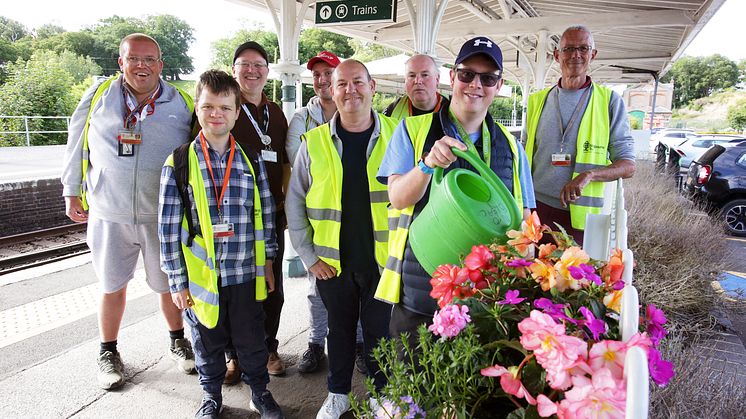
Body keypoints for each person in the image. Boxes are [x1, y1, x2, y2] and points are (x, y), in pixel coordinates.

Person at [375, 37, 536, 345]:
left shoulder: (512, 147)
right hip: (421, 290)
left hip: (485, 298)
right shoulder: (411, 130)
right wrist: (426, 164)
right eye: (467, 74)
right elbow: (397, 197)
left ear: (499, 85)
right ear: (452, 78)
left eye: (487, 78)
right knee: (413, 385)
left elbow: (524, 218)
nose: (476, 84)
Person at [61, 33, 195, 391]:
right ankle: (108, 351)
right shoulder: (98, 97)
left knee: (168, 285)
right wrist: (71, 189)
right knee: (111, 286)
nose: (142, 65)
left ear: (161, 65)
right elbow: (76, 143)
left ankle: (178, 340)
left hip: (161, 216)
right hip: (109, 211)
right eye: (134, 58)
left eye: (150, 59)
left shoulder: (181, 102)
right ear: (121, 62)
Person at [158, 69, 284, 419]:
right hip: (203, 280)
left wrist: (269, 261)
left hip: (245, 272)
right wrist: (176, 282)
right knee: (207, 342)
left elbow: (266, 214)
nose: (217, 114)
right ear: (197, 108)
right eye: (209, 106)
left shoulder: (249, 159)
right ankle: (211, 396)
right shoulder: (179, 163)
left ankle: (259, 392)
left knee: (252, 339)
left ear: (236, 110)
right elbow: (167, 229)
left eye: (225, 108)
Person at [286, 59, 396, 419]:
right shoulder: (313, 143)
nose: (351, 90)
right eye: (342, 84)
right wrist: (308, 256)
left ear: (372, 86)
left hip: (383, 260)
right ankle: (338, 395)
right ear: (332, 91)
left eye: (358, 82)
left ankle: (382, 394)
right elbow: (295, 202)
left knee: (381, 334)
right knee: (340, 332)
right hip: (332, 264)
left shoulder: (399, 136)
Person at [286, 50, 368, 375]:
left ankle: (359, 344)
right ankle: (315, 343)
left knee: (360, 294)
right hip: (322, 232)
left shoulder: (366, 119)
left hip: (358, 234)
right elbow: (301, 174)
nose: (322, 80)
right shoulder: (301, 122)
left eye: (328, 73)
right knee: (316, 293)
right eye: (317, 74)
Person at [523, 25, 635, 244]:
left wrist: (589, 175)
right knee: (532, 276)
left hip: (581, 220)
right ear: (557, 55)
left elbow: (628, 165)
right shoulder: (537, 101)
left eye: (583, 48)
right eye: (568, 49)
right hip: (536, 209)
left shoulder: (609, 102)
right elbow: (524, 154)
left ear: (593, 55)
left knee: (571, 278)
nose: (576, 54)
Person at [223, 41, 290, 381]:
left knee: (271, 286)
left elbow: (287, 161)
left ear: (267, 70)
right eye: (244, 64)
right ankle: (234, 355)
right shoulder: (223, 108)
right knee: (236, 289)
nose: (252, 70)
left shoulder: (276, 113)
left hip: (271, 216)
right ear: (234, 70)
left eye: (259, 64)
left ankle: (268, 347)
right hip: (233, 219)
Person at [382, 54, 449, 120]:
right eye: (412, 76)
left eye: (425, 75)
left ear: (437, 79)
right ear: (405, 80)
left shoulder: (453, 109)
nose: (417, 81)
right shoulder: (392, 111)